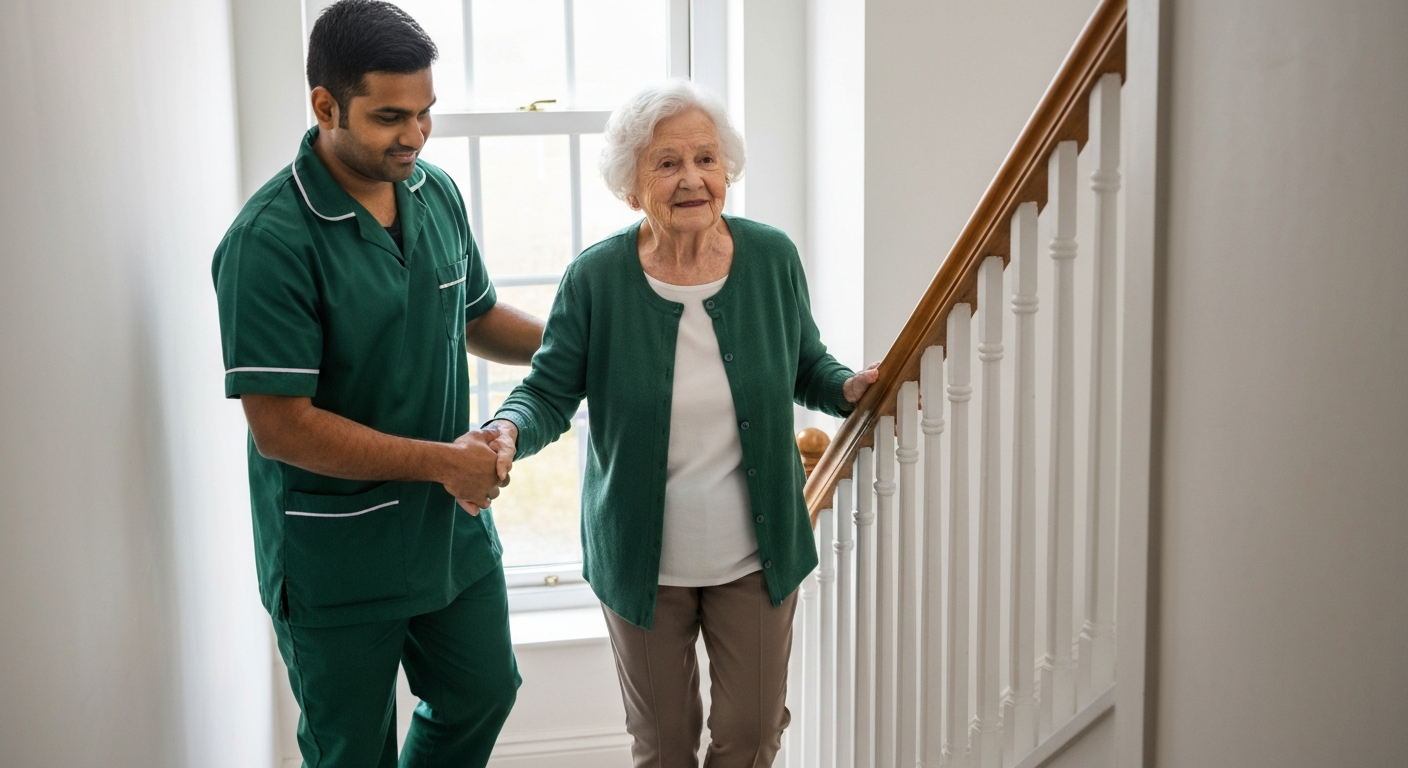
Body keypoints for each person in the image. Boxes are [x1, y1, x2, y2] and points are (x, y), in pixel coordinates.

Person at [484, 80, 879, 767]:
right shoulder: (596, 279)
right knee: (664, 744)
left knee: (753, 735)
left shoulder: (771, 258)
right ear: (631, 186)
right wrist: (508, 430)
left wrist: (847, 388)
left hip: (755, 558)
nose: (692, 178)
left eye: (706, 158)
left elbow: (806, 362)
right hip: (643, 562)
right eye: (666, 163)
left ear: (727, 169)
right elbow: (547, 390)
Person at [210, 2, 539, 765]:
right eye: (392, 116)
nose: (416, 136)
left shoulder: (436, 193)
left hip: (449, 535)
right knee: (352, 752)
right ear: (326, 106)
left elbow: (477, 314)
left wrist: (583, 344)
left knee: (483, 692)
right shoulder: (268, 242)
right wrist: (440, 462)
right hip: (336, 556)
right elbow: (281, 426)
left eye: (426, 113)